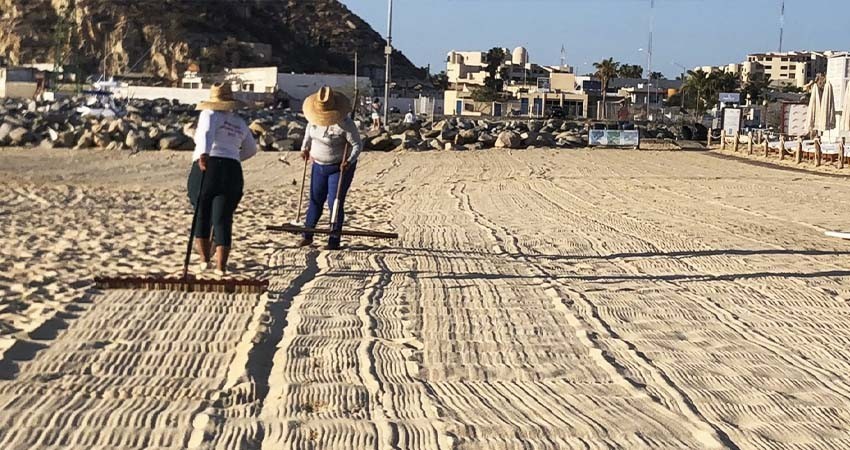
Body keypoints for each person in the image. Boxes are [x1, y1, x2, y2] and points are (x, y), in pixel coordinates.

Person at [188, 83, 257, 274]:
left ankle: (204, 260)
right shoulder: (239, 122)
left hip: (209, 165)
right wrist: (234, 157)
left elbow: (206, 133)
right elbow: (252, 149)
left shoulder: (209, 114)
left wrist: (204, 154)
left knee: (201, 212)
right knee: (222, 217)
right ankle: (221, 267)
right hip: (232, 170)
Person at [298, 86, 363, 250]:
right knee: (315, 200)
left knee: (334, 202)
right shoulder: (313, 120)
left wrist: (349, 161)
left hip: (338, 167)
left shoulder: (345, 124)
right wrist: (304, 149)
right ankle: (307, 234)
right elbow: (308, 136)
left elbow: (357, 145)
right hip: (318, 165)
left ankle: (333, 240)